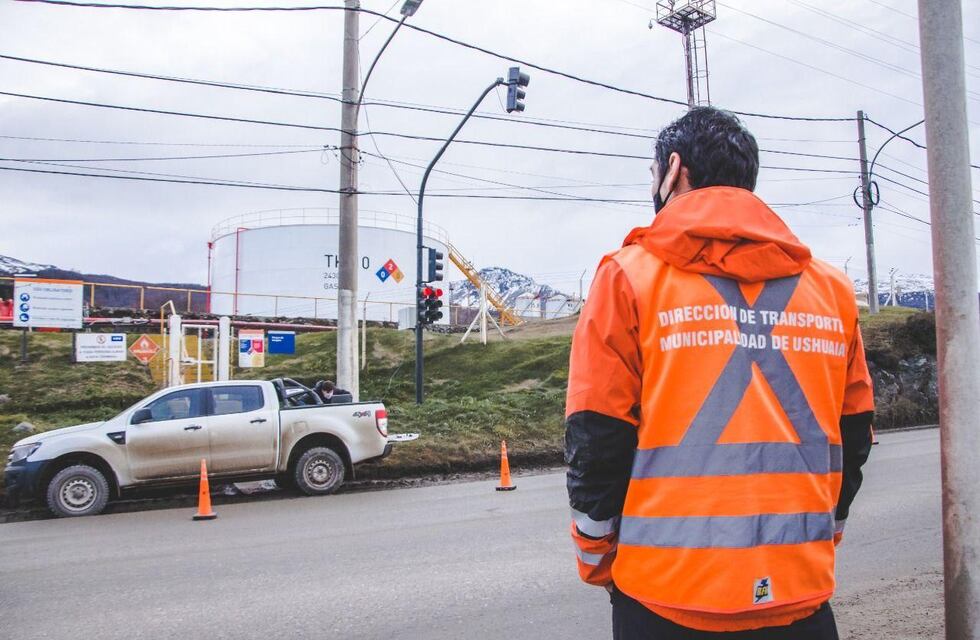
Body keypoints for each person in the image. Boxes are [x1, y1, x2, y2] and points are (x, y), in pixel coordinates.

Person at [565, 106, 874, 639]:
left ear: (674, 170)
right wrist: (822, 537)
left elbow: (597, 433)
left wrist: (597, 555)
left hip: (664, 598)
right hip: (799, 593)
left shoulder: (627, 278)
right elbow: (854, 434)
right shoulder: (832, 291)